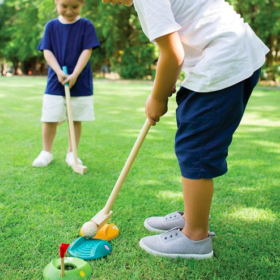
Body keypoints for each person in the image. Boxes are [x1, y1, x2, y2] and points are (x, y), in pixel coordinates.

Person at [101, 0, 269, 258]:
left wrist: (157, 98)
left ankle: (195, 236)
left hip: (223, 60)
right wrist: (166, 78)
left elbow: (173, 53)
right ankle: (191, 217)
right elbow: (174, 45)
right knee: (194, 142)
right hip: (234, 53)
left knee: (196, 147)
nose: (104, 2)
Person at [33, 0, 100, 168]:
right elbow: (47, 51)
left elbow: (87, 50)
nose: (69, 11)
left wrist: (75, 74)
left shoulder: (86, 25)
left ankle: (72, 153)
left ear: (82, 4)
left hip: (80, 81)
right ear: (56, 2)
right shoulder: (51, 26)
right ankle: (46, 152)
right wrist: (58, 71)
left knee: (75, 118)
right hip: (56, 81)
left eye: (74, 7)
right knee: (49, 117)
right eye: (64, 6)